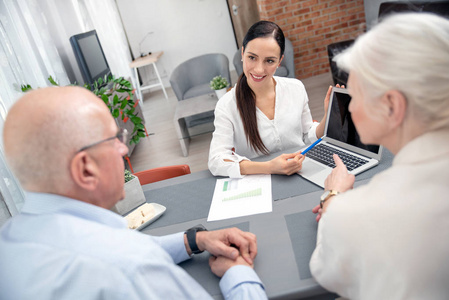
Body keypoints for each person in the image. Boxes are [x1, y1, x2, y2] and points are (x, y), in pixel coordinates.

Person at [0, 86, 267, 300]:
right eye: (113, 140)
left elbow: (111, 243)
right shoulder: (132, 268)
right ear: (85, 168)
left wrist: (194, 240)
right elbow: (124, 254)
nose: (124, 150)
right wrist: (238, 274)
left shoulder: (10, 245)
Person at [309, 13, 449, 299]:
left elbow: (325, 268)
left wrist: (332, 196)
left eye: (356, 93)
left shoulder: (359, 215)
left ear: (392, 106)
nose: (352, 106)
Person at [208, 20, 334, 178]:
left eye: (269, 61)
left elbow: (307, 134)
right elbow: (216, 161)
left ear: (279, 61)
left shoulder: (296, 88)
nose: (259, 69)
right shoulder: (226, 105)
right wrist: (269, 167)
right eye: (252, 57)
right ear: (242, 54)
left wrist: (328, 117)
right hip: (259, 181)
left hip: (301, 171)